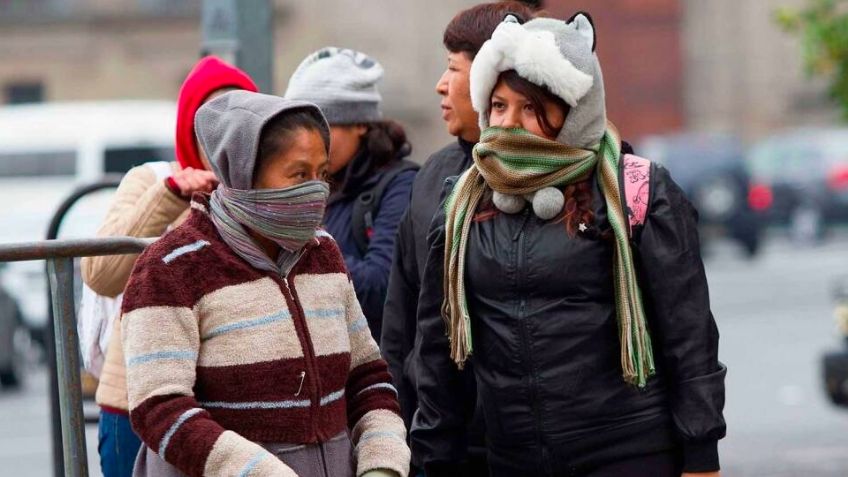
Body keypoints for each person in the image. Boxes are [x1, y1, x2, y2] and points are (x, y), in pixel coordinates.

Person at [411, 13, 726, 477]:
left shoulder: (638, 193)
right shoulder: (461, 205)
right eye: (498, 106)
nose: (510, 124)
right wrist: (433, 459)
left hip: (629, 453)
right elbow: (438, 353)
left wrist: (701, 457)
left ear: (574, 112)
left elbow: (689, 336)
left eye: (531, 108)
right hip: (513, 459)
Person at [121, 91, 409, 477]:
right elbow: (160, 408)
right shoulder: (171, 267)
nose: (316, 190)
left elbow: (367, 378)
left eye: (322, 174)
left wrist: (382, 463)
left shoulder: (324, 254)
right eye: (298, 174)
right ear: (244, 174)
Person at [79, 56, 258, 477]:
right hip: (137, 407)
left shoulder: (266, 193)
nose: (224, 132)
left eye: (238, 117)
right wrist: (171, 197)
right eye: (210, 119)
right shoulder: (152, 181)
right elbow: (100, 274)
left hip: (232, 410)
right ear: (188, 128)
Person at [379, 2, 538, 474]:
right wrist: (395, 423)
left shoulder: (552, 180)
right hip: (439, 437)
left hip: (526, 441)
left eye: (453, 69)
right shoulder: (434, 177)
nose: (441, 85)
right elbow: (401, 315)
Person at [284, 47, 418, 341]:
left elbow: (381, 289)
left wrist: (302, 234)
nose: (307, 145)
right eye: (297, 132)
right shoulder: (308, 184)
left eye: (321, 128)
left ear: (360, 123)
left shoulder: (401, 186)